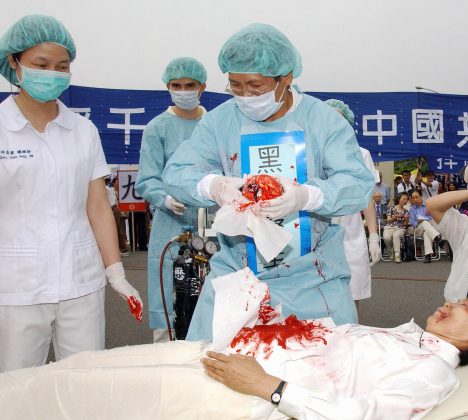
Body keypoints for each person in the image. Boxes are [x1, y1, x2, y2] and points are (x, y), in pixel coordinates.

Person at [0, 274, 468, 419]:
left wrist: (271, 388)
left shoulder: (433, 372)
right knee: (76, 370)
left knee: (72, 396)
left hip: (239, 393)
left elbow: (362, 416)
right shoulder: (400, 335)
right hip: (223, 359)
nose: (450, 304)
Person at [162, 23, 374, 340]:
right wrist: (214, 186)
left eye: (255, 86)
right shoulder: (220, 122)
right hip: (238, 275)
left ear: (285, 78)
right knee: (210, 369)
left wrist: (307, 197)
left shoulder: (323, 121)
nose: (245, 95)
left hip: (312, 276)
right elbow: (177, 172)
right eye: (236, 85)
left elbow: (358, 185)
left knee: (326, 368)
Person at [0, 15, 142, 372]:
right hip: (15, 284)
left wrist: (116, 274)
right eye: (41, 64)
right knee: (16, 387)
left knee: (84, 382)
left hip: (81, 280)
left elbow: (97, 207)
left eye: (62, 66)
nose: (53, 73)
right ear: (14, 64)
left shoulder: (83, 130)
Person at [135, 57, 208, 343]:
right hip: (171, 225)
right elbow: (147, 178)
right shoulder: (157, 128)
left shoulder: (213, 125)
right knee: (168, 298)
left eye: (190, 85)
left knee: (211, 301)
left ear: (202, 87)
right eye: (177, 85)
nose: (184, 90)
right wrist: (164, 199)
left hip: (211, 224)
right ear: (168, 87)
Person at [324, 98, 380, 309]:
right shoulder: (310, 152)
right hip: (319, 230)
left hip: (351, 231)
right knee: (320, 296)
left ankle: (351, 336)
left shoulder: (361, 154)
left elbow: (367, 198)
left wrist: (373, 235)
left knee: (352, 294)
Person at [408, 189, 444, 263]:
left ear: (421, 196)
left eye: (417, 197)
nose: (415, 199)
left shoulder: (428, 206)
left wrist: (426, 220)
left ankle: (428, 255)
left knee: (426, 232)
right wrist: (419, 221)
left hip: (429, 229)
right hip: (418, 229)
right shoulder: (412, 209)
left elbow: (433, 219)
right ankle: (437, 238)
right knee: (424, 222)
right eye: (413, 198)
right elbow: (412, 222)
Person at [383, 192, 410, 263]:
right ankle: (390, 250)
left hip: (400, 228)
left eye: (406, 199)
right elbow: (388, 220)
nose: (405, 201)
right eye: (403, 199)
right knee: (386, 238)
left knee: (396, 235)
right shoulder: (391, 208)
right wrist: (394, 217)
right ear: (398, 199)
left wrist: (407, 220)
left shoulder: (406, 211)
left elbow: (405, 225)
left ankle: (397, 255)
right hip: (390, 227)